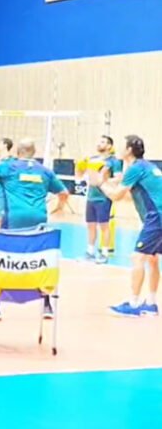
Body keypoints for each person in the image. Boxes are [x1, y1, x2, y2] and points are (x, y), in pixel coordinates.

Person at [0, 138, 69, 321]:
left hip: (13, 220)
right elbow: (64, 193)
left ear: (17, 152)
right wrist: (59, 207)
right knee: (41, 259)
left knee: (3, 258)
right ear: (34, 152)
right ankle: (47, 305)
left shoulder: (8, 167)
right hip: (39, 221)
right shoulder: (44, 171)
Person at [87, 135, 161, 317]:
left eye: (122, 146)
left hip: (156, 217)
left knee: (138, 257)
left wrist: (100, 183)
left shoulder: (135, 168)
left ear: (129, 150)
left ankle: (134, 304)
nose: (119, 149)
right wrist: (108, 181)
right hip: (157, 216)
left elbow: (116, 196)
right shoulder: (148, 166)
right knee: (152, 259)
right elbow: (129, 192)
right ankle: (151, 303)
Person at [76, 135, 121, 264]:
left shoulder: (113, 161)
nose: (99, 144)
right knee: (90, 225)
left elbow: (118, 178)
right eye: (98, 142)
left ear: (109, 146)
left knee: (104, 226)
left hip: (104, 197)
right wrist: (79, 166)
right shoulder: (91, 159)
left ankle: (104, 253)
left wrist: (104, 181)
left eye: (102, 142)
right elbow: (80, 175)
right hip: (91, 196)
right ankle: (90, 252)